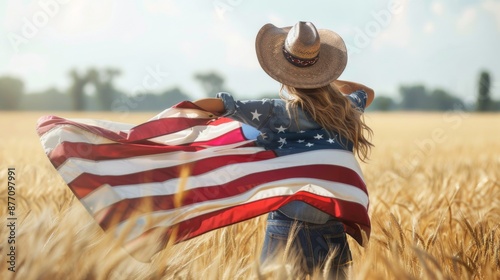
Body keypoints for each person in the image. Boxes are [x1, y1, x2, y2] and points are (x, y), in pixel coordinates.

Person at [192, 21, 374, 278]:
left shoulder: (276, 111)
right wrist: (323, 75)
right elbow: (366, 92)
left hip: (287, 229)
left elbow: (217, 106)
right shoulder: (344, 109)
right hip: (332, 228)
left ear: (283, 74)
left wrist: (181, 117)